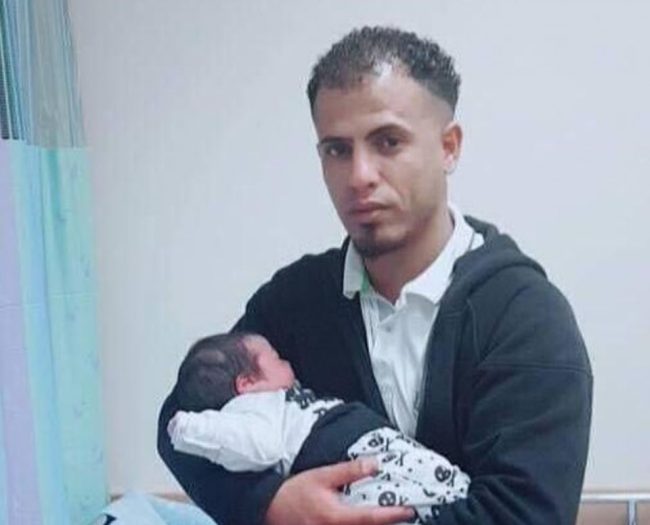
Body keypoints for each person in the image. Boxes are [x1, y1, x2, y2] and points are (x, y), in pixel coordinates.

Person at [158, 26, 592, 525]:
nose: (359, 175)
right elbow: (182, 420)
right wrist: (269, 504)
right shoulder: (293, 303)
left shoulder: (525, 318)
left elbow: (525, 514)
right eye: (337, 150)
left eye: (388, 142)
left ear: (448, 147)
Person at [168, 331, 470, 524]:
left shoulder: (276, 401)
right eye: (277, 359)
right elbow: (257, 445)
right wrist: (188, 428)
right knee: (398, 498)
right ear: (247, 383)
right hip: (344, 454)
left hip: (364, 442)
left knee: (422, 478)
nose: (288, 364)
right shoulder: (248, 411)